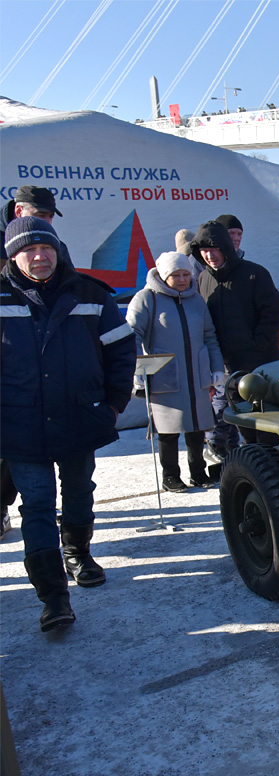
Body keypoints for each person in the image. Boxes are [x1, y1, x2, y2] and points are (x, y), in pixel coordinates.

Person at [1, 217, 136, 631]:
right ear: (12, 256)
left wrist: (113, 403)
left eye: (46, 248)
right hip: (19, 424)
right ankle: (54, 598)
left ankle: (78, 554)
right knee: (37, 504)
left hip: (79, 416)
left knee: (79, 490)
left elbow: (120, 350)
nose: (39, 257)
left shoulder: (90, 294)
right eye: (28, 250)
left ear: (58, 250)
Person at [126, 252, 223, 492]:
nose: (182, 280)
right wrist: (135, 366)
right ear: (163, 275)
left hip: (196, 375)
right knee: (168, 430)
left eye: (185, 274)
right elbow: (132, 333)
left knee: (197, 427)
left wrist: (217, 368)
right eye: (175, 275)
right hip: (165, 375)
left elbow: (209, 336)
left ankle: (198, 472)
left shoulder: (196, 300)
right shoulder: (147, 299)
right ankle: (170, 475)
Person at [191, 220, 279, 449]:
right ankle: (252, 459)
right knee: (241, 419)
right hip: (227, 366)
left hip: (260, 362)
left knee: (265, 418)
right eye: (204, 250)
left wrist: (258, 344)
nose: (209, 255)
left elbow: (274, 311)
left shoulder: (253, 273)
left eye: (214, 249)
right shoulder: (203, 279)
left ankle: (272, 462)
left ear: (225, 248)